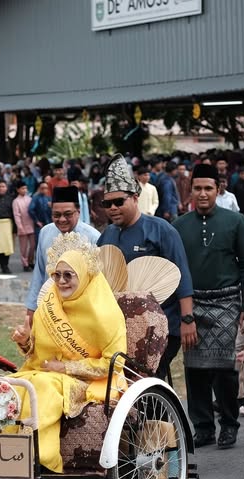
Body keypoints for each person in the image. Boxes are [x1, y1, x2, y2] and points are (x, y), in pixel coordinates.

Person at [9, 234, 126, 473]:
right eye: (57, 275)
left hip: (92, 382)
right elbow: (38, 355)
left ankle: (45, 456)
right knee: (9, 384)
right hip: (46, 373)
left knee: (42, 385)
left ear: (83, 276)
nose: (61, 281)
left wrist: (65, 368)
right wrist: (25, 342)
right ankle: (4, 448)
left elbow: (114, 364)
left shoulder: (105, 314)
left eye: (68, 275)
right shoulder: (49, 304)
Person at [173, 164, 244, 449]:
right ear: (190, 191)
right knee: (194, 369)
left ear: (218, 190)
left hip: (226, 302)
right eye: (198, 188)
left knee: (223, 368)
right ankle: (203, 427)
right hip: (192, 304)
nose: (203, 194)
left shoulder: (236, 221)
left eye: (209, 188)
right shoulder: (179, 226)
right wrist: (184, 314)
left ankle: (229, 424)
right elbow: (174, 270)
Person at [97, 154, 194, 381]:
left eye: (119, 202)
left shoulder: (161, 230)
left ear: (135, 197)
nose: (112, 208)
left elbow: (182, 277)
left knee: (148, 381)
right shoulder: (107, 235)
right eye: (107, 204)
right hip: (117, 329)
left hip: (160, 325)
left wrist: (187, 320)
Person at [24, 186, 100, 321]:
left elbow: (98, 282)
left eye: (68, 214)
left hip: (81, 311)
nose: (62, 219)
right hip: (49, 308)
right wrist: (31, 308)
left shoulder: (93, 237)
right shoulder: (45, 233)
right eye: (56, 215)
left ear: (78, 211)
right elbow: (39, 273)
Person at [12, 181, 35, 272]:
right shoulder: (16, 201)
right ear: (18, 190)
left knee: (33, 245)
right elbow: (16, 215)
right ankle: (25, 264)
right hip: (22, 226)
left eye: (25, 188)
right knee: (23, 247)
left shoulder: (30, 199)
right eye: (22, 188)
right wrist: (20, 227)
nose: (24, 190)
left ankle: (30, 261)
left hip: (31, 225)